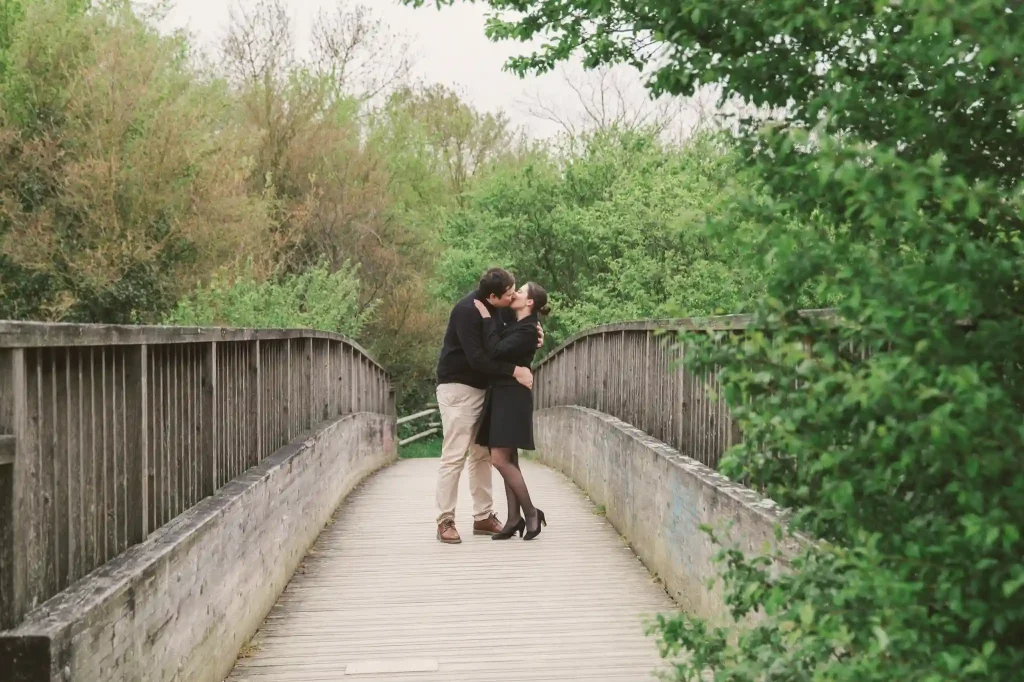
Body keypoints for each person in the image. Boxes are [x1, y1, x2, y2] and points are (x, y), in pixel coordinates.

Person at [434, 268, 536, 544]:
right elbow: (478, 359)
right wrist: (515, 371)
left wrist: (536, 333)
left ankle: (483, 516)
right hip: (458, 388)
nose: (514, 295)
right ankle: (445, 520)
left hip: (486, 389)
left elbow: (510, 337)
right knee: (454, 455)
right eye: (509, 293)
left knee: (481, 455)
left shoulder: (501, 308)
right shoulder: (466, 311)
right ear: (493, 296)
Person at [473, 282, 550, 541]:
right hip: (503, 393)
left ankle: (530, 513)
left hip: (512, 397)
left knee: (500, 459)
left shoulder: (528, 330)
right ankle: (513, 518)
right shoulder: (519, 323)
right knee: (509, 459)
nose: (515, 294)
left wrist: (485, 319)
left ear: (529, 302)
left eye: (521, 291)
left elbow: (495, 350)